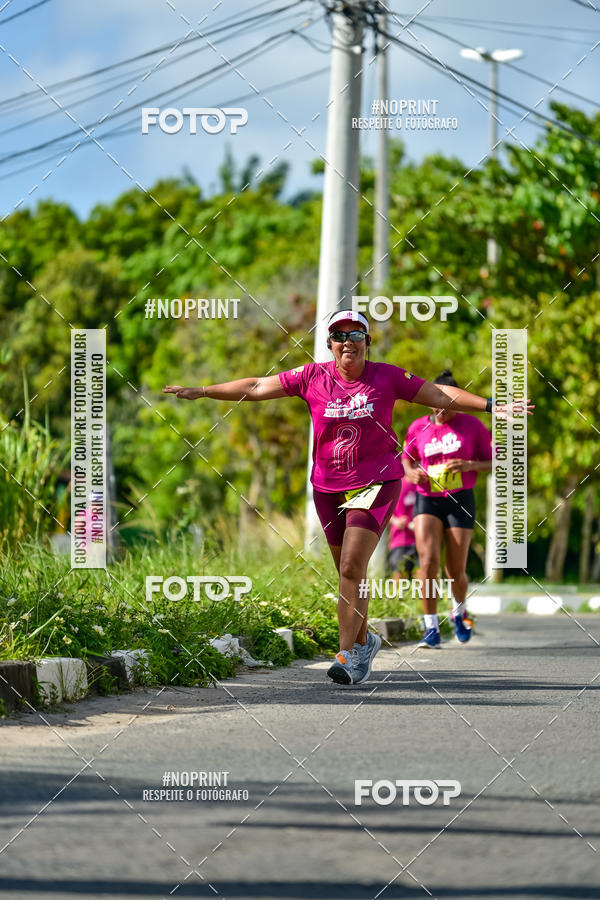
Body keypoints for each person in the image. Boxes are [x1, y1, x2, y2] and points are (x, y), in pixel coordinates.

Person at [163, 312, 530, 684]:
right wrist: (205, 391)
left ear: (367, 342)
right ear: (329, 344)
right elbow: (257, 386)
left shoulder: (386, 376)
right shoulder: (311, 377)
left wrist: (491, 405)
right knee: (347, 576)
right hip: (326, 488)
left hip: (376, 484)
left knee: (353, 569)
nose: (348, 341)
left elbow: (438, 394)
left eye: (357, 334)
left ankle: (346, 655)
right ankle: (365, 642)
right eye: (339, 335)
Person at [403, 370, 493, 649]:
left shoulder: (473, 426)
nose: (440, 408)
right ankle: (430, 627)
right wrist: (411, 473)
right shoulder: (418, 427)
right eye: (436, 401)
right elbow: (405, 460)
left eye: (448, 402)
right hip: (427, 498)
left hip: (460, 498)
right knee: (427, 563)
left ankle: (459, 612)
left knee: (455, 569)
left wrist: (469, 466)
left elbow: (494, 463)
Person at [388, 478, 418, 581]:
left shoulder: (423, 485)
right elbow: (385, 511)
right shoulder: (396, 484)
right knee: (399, 577)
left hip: (420, 541)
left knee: (420, 577)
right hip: (399, 540)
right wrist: (396, 521)